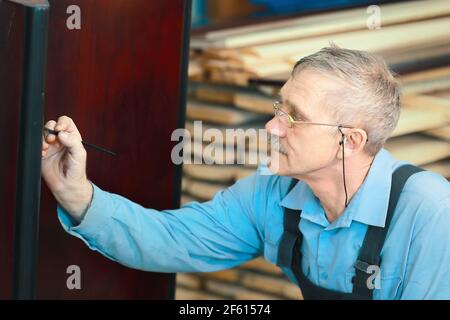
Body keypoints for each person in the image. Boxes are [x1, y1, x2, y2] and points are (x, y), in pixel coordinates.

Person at [41, 45, 450, 299]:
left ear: (351, 141)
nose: (272, 127)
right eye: (279, 108)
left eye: (296, 117)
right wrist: (74, 191)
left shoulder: (428, 214)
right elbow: (172, 240)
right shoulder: (274, 193)